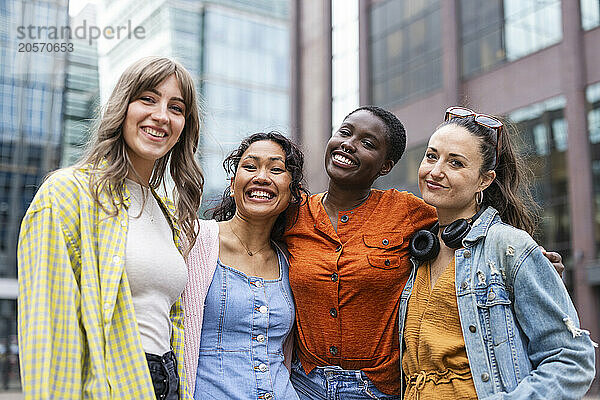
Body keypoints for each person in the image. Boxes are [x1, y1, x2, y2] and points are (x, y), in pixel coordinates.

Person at [283, 105, 567, 400]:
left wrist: (531, 266)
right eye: (344, 132)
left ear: (386, 166)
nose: (348, 145)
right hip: (304, 385)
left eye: (368, 144)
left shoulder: (409, 211)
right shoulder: (291, 215)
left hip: (379, 389)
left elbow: (470, 221)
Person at [17, 56, 204, 399]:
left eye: (175, 107)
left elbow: (170, 323)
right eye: (147, 99)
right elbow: (49, 331)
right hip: (111, 382)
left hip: (167, 383)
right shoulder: (67, 193)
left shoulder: (168, 213)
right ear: (122, 107)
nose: (161, 116)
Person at [400, 107, 596, 399]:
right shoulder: (417, 251)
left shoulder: (510, 247)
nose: (436, 171)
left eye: (455, 163)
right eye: (432, 156)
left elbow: (571, 359)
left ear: (485, 180)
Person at [183, 132, 306, 399]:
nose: (261, 177)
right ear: (232, 183)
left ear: (292, 192)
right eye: (250, 167)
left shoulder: (290, 261)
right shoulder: (194, 241)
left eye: (276, 169)